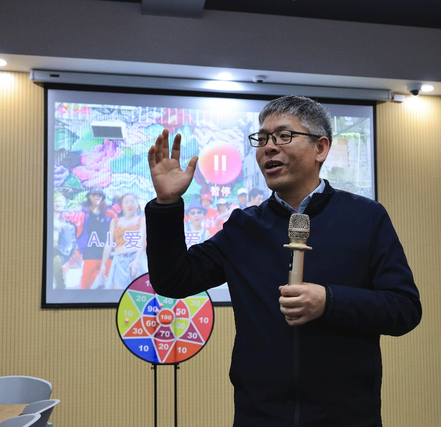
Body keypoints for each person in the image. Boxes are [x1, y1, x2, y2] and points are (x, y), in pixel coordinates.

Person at [145, 95, 422, 427]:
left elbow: (404, 308)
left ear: (320, 148)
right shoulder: (244, 227)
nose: (268, 148)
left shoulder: (366, 218)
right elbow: (173, 280)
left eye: (283, 136)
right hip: (259, 415)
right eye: (262, 139)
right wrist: (166, 205)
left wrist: (330, 301)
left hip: (347, 416)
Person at [99, 193, 147, 289]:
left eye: (132, 202)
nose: (129, 205)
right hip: (119, 260)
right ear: (122, 206)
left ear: (137, 204)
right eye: (126, 202)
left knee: (140, 291)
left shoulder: (142, 220)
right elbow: (109, 243)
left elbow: (141, 240)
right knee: (119, 293)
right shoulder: (114, 221)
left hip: (136, 258)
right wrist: (103, 265)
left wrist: (137, 261)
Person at [76, 186, 113, 289]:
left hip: (107, 252)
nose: (97, 197)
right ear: (89, 196)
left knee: (112, 283)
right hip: (90, 252)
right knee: (85, 285)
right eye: (94, 195)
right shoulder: (82, 212)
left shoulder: (108, 212)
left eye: (99, 195)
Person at [53, 192, 77, 289]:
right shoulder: (47, 217)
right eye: (56, 201)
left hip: (61, 252)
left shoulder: (69, 221)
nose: (58, 203)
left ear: (64, 204)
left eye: (60, 201)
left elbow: (71, 241)